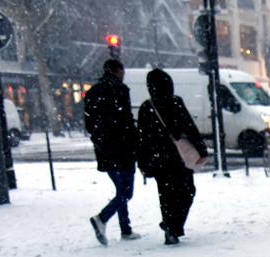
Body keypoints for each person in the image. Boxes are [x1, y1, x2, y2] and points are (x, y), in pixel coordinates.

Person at [136, 69, 208, 246]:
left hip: (158, 159)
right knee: (186, 191)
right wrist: (200, 148)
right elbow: (189, 127)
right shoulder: (175, 102)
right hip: (178, 157)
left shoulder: (147, 107)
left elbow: (142, 138)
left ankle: (169, 224)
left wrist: (143, 161)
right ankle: (174, 224)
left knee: (166, 194)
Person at [84, 58, 139, 245]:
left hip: (104, 149)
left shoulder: (93, 93)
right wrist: (133, 141)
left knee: (120, 189)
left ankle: (126, 228)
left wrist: (100, 139)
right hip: (122, 148)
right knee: (126, 191)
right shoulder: (120, 90)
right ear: (118, 71)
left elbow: (89, 124)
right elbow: (125, 120)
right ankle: (102, 218)